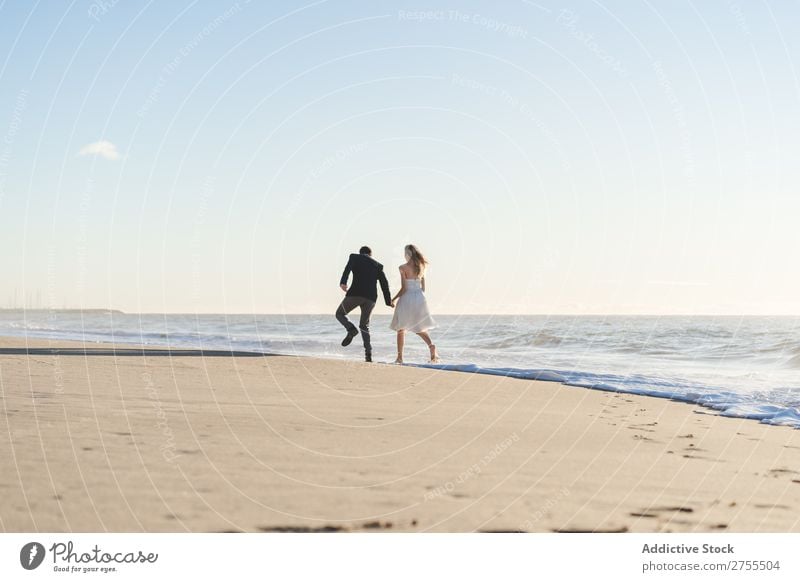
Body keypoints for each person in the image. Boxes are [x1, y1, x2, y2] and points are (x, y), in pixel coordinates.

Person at [336, 246, 392, 362]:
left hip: (355, 294)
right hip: (371, 298)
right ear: (370, 254)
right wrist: (388, 301)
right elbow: (384, 284)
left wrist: (343, 282)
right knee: (364, 325)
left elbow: (347, 269)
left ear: (360, 253)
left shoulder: (354, 257)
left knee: (340, 314)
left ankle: (351, 329)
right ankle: (368, 353)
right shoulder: (378, 265)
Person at [390, 244, 438, 364]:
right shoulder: (422, 266)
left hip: (407, 297)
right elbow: (423, 288)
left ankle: (400, 357)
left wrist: (393, 299)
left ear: (407, 254)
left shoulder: (402, 267)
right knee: (419, 327)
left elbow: (404, 288)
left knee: (401, 329)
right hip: (420, 298)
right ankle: (431, 346)